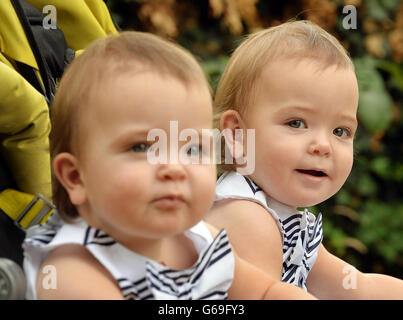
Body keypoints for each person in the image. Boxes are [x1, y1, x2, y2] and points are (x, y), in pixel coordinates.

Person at [22, 31, 316, 300]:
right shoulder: (77, 273)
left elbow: (266, 291)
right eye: (142, 147)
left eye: (193, 149)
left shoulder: (198, 240)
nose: (175, 168)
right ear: (76, 178)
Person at [206, 20, 403, 299]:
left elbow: (357, 288)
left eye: (340, 131)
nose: (323, 146)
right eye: (296, 123)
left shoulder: (290, 221)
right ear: (237, 135)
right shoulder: (246, 216)